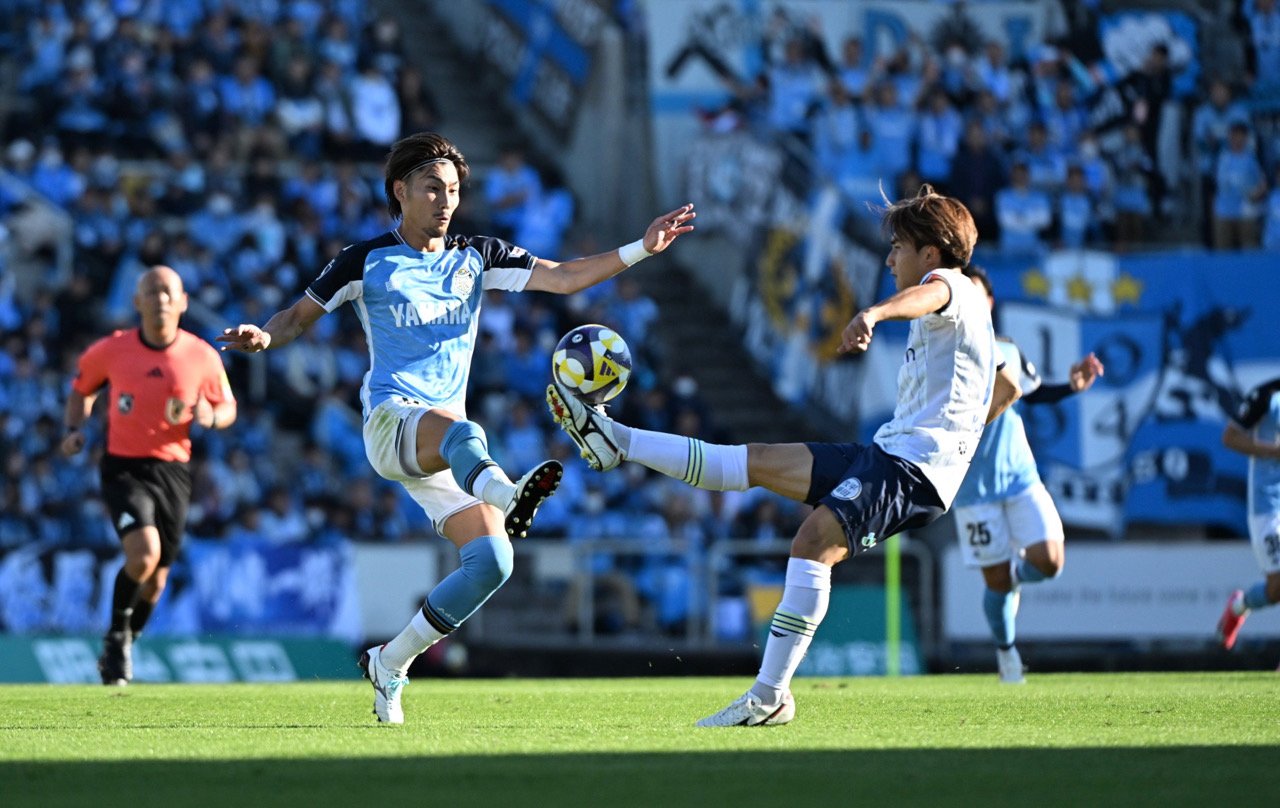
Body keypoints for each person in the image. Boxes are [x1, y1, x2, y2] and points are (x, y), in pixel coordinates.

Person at [217, 131, 695, 724]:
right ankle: (509, 492)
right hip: (395, 423)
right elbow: (294, 317)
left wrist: (641, 249)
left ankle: (389, 664)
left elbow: (565, 277)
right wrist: (264, 336)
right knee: (460, 431)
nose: (446, 200)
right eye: (432, 188)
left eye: (453, 190)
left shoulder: (477, 257)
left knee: (493, 562)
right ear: (401, 192)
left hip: (447, 444)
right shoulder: (364, 260)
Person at [547, 185, 1019, 726]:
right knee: (758, 459)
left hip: (915, 470)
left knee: (812, 540)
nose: (889, 258)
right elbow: (1002, 386)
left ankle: (770, 695)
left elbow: (929, 295)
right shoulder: (962, 312)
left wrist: (874, 313)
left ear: (930, 254)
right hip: (892, 453)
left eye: (898, 248)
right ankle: (618, 440)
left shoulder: (950, 287)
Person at [61, 265, 238, 685]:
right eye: (151, 291)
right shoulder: (112, 350)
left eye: (167, 291)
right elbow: (82, 389)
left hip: (173, 471)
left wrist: (213, 415)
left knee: (156, 583)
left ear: (182, 301)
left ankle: (119, 644)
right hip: (124, 466)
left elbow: (227, 406)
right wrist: (73, 429)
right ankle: (117, 641)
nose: (160, 298)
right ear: (137, 301)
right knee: (143, 555)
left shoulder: (202, 355)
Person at [952, 266, 1104, 684]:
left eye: (977, 293)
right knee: (996, 582)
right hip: (971, 488)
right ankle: (1006, 654)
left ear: (989, 303)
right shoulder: (943, 351)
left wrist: (1071, 386)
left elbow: (1034, 392)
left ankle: (1019, 575)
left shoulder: (1008, 350)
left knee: (1051, 561)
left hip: (1019, 475)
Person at [1216, 377, 1280, 649]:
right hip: (1268, 504)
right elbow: (1230, 437)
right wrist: (1275, 451)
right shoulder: (1266, 395)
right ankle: (1239, 605)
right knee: (1276, 589)